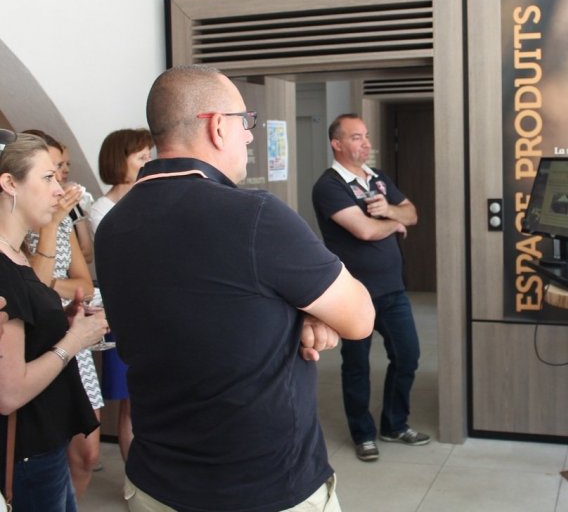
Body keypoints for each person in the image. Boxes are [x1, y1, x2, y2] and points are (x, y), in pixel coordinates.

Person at [94, 65, 374, 512]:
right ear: (216, 126)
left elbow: (210, 309)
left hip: (155, 484)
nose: (249, 137)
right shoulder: (257, 216)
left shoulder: (113, 227)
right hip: (263, 488)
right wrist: (309, 310)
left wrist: (299, 312)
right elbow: (360, 318)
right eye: (246, 123)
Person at [0, 130, 109, 511]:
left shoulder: (15, 257)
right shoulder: (4, 268)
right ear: (10, 183)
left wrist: (64, 319)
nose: (59, 190)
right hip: (26, 450)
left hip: (45, 442)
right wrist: (74, 341)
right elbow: (9, 392)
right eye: (47, 178)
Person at [312, 113, 429, 463]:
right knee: (357, 365)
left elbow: (413, 213)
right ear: (337, 143)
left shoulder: (378, 178)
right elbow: (363, 230)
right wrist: (393, 224)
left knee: (407, 355)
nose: (367, 143)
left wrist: (391, 212)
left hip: (392, 290)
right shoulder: (329, 186)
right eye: (357, 137)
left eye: (366, 137)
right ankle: (363, 434)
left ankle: (394, 425)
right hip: (354, 293)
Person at [88, 128, 154, 464]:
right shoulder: (101, 209)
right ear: (119, 160)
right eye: (140, 156)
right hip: (126, 309)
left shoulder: (155, 194)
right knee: (132, 399)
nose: (147, 162)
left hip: (159, 308)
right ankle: (134, 479)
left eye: (148, 156)